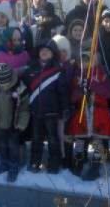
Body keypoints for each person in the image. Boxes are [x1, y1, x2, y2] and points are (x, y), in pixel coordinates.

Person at [67, 52, 110, 180]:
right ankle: (79, 162)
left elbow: (108, 93)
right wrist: (80, 91)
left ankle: (95, 167)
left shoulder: (101, 74)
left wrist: (93, 85)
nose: (87, 63)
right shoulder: (77, 76)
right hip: (83, 112)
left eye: (89, 60)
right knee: (80, 140)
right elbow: (72, 97)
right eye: (84, 61)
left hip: (99, 112)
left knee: (98, 140)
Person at [22, 40, 69, 174]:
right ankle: (35, 162)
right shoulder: (30, 69)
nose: (44, 52)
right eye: (42, 50)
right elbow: (24, 88)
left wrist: (65, 108)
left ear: (53, 54)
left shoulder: (58, 71)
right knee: (36, 138)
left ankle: (54, 164)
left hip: (52, 112)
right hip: (36, 111)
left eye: (48, 51)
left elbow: (63, 92)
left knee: (53, 139)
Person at [0, 63, 30, 182]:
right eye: (0, 82)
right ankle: (4, 163)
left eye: (4, 82)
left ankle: (14, 167)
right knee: (2, 145)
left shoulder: (19, 87)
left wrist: (21, 124)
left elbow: (25, 108)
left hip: (13, 123)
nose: (2, 85)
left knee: (13, 146)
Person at [52, 35, 76, 170]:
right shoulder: (52, 66)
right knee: (57, 132)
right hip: (55, 104)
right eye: (59, 51)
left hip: (68, 104)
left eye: (65, 51)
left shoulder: (71, 66)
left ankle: (68, 156)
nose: (62, 54)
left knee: (67, 133)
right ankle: (60, 156)